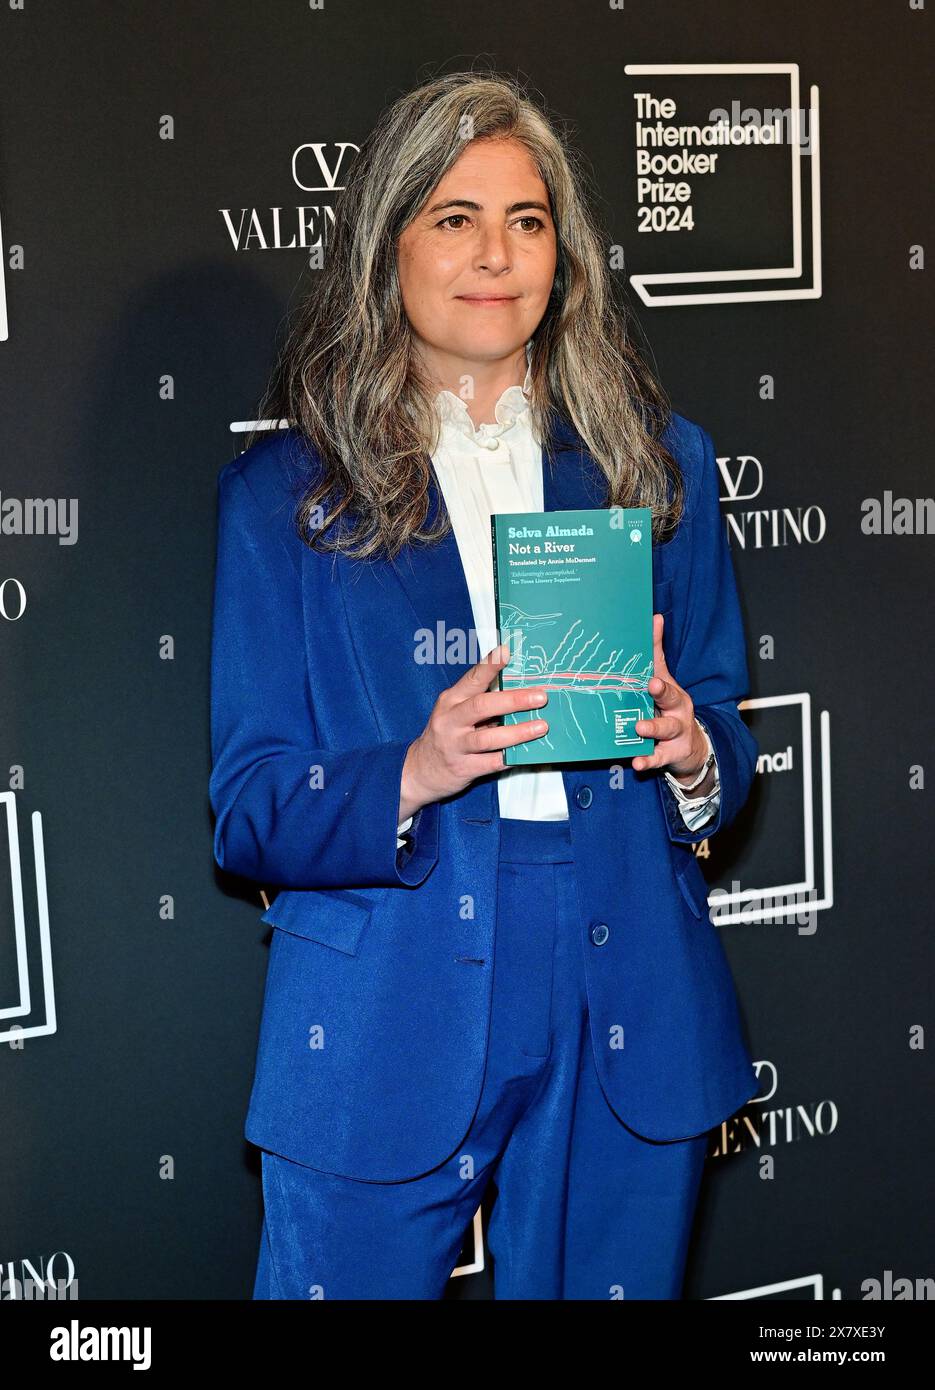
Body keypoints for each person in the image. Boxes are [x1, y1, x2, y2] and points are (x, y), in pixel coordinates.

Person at [209, 70, 760, 1301]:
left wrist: (690, 748)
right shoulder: (284, 502)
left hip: (623, 967)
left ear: (562, 254)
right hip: (386, 980)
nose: (494, 253)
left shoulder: (653, 462)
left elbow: (725, 724)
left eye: (526, 219)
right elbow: (247, 803)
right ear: (385, 247)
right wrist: (411, 768)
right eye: (453, 217)